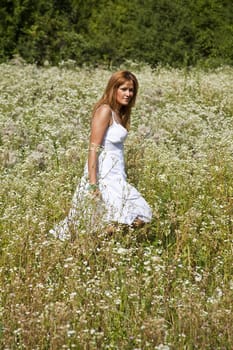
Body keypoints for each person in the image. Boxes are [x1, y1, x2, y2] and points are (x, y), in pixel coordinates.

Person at [50, 70, 152, 240]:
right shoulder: (105, 110)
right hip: (104, 177)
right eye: (124, 89)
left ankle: (93, 243)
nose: (128, 94)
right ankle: (88, 244)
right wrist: (92, 184)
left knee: (135, 216)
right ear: (114, 89)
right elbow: (93, 148)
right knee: (127, 216)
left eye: (131, 90)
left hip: (117, 176)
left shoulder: (120, 114)